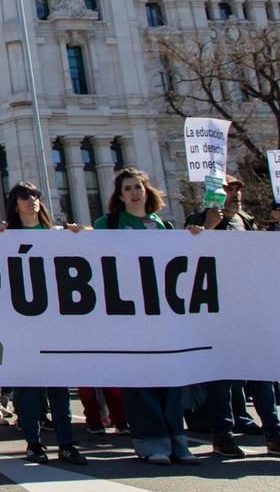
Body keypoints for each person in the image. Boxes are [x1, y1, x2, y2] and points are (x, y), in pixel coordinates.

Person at [94, 167, 201, 465]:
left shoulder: (163, 225)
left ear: (147, 191)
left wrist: (195, 237)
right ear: (120, 195)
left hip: (162, 312)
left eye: (138, 186)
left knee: (171, 376)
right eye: (128, 188)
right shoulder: (108, 224)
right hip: (128, 313)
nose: (134, 192)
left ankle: (177, 440)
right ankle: (150, 441)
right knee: (140, 378)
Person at [181, 174, 277, 457]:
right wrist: (208, 227)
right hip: (216, 309)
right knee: (221, 377)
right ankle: (222, 433)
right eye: (227, 190)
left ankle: (274, 431)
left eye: (237, 190)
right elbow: (185, 259)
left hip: (249, 306)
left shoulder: (246, 221)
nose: (234, 195)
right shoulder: (197, 219)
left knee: (262, 374)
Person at [0, 182, 86, 465]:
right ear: (14, 203)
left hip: (53, 322)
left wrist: (82, 234)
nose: (31, 200)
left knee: (58, 387)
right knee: (27, 388)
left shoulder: (56, 234)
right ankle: (33, 443)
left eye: (35, 195)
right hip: (21, 323)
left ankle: (67, 443)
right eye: (24, 196)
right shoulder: (6, 235)